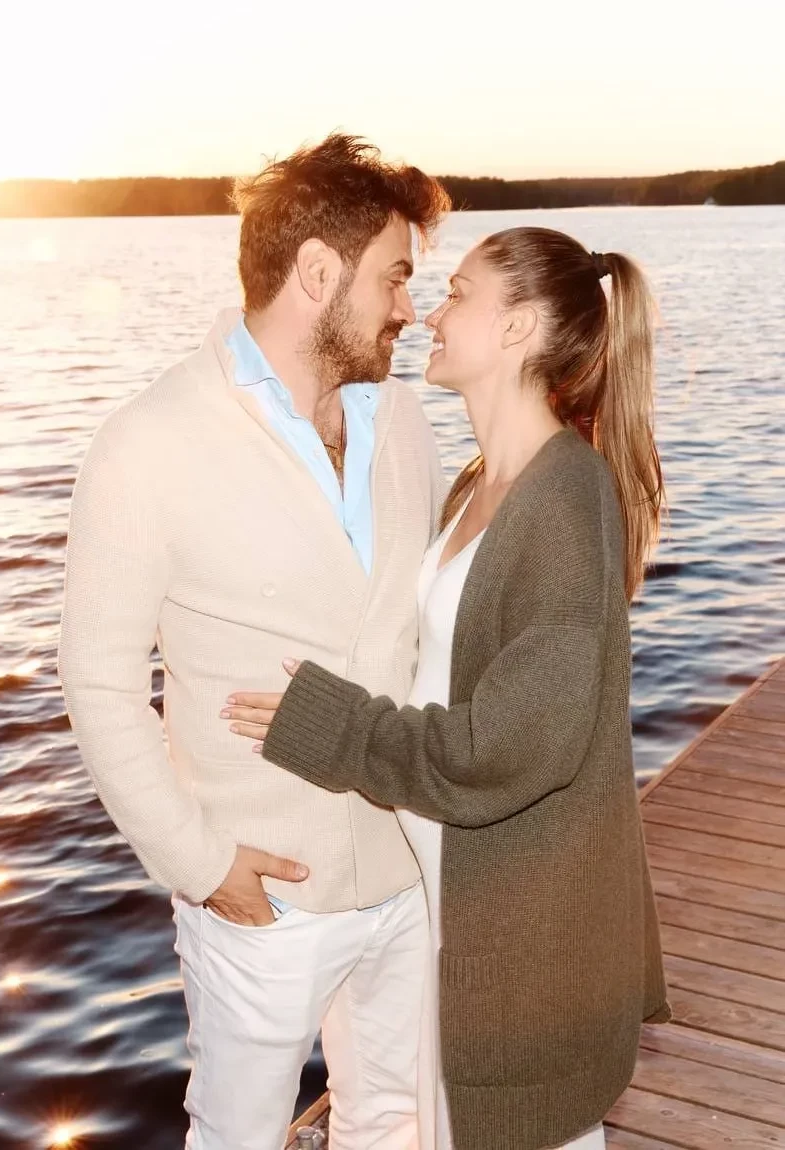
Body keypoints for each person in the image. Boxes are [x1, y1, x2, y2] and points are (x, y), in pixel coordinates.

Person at [223, 227, 672, 1150]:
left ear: (517, 327)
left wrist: (335, 728)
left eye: (458, 293)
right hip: (455, 910)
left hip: (522, 934)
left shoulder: (563, 499)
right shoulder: (478, 483)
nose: (430, 311)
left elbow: (515, 745)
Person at [58, 134, 451, 1150]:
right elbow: (99, 683)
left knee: (395, 1119)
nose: (410, 308)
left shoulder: (404, 419)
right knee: (236, 1136)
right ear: (317, 273)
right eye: (394, 277)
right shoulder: (148, 442)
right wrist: (198, 860)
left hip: (408, 872)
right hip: (261, 895)